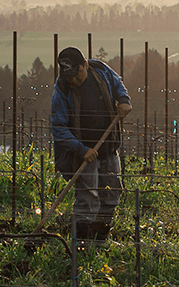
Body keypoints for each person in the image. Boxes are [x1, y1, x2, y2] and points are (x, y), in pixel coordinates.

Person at [49, 46, 132, 247]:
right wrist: (81, 149)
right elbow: (58, 127)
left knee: (112, 192)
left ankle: (100, 239)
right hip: (84, 153)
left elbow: (117, 83)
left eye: (76, 75)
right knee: (88, 198)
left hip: (109, 146)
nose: (73, 80)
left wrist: (123, 100)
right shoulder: (62, 90)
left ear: (84, 65)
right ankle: (81, 244)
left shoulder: (101, 70)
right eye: (68, 76)